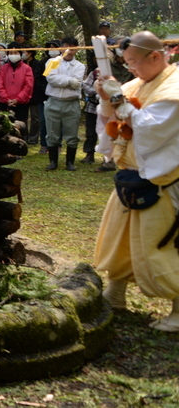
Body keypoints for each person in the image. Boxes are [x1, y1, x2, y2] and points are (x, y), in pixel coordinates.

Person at [94, 31, 179, 332]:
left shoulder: (174, 88)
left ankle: (178, 309)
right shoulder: (136, 83)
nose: (130, 69)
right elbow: (112, 121)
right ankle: (115, 291)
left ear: (155, 57)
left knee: (160, 243)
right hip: (129, 177)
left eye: (133, 63)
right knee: (118, 237)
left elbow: (150, 129)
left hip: (161, 179)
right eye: (126, 63)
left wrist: (116, 98)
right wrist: (106, 99)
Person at [44, 36, 85, 171]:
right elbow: (51, 79)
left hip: (71, 103)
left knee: (72, 134)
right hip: (53, 102)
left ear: (76, 49)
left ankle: (70, 163)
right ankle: (53, 162)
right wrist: (69, 81)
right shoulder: (52, 61)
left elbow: (77, 82)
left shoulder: (79, 66)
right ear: (61, 47)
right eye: (66, 46)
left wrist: (64, 80)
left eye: (72, 47)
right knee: (52, 134)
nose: (69, 50)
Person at [0, 42, 33, 125]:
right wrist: (7, 99)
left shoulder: (27, 68)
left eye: (15, 53)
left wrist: (17, 99)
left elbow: (28, 86)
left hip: (21, 104)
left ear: (20, 54)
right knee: (3, 126)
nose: (13, 55)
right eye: (11, 53)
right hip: (4, 103)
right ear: (7, 54)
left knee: (20, 127)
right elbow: (0, 84)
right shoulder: (3, 68)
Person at [80, 68, 100, 165]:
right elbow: (86, 85)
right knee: (91, 132)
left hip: (109, 108)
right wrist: (97, 91)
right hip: (92, 107)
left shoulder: (116, 72)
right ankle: (89, 153)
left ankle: (108, 159)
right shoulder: (94, 73)